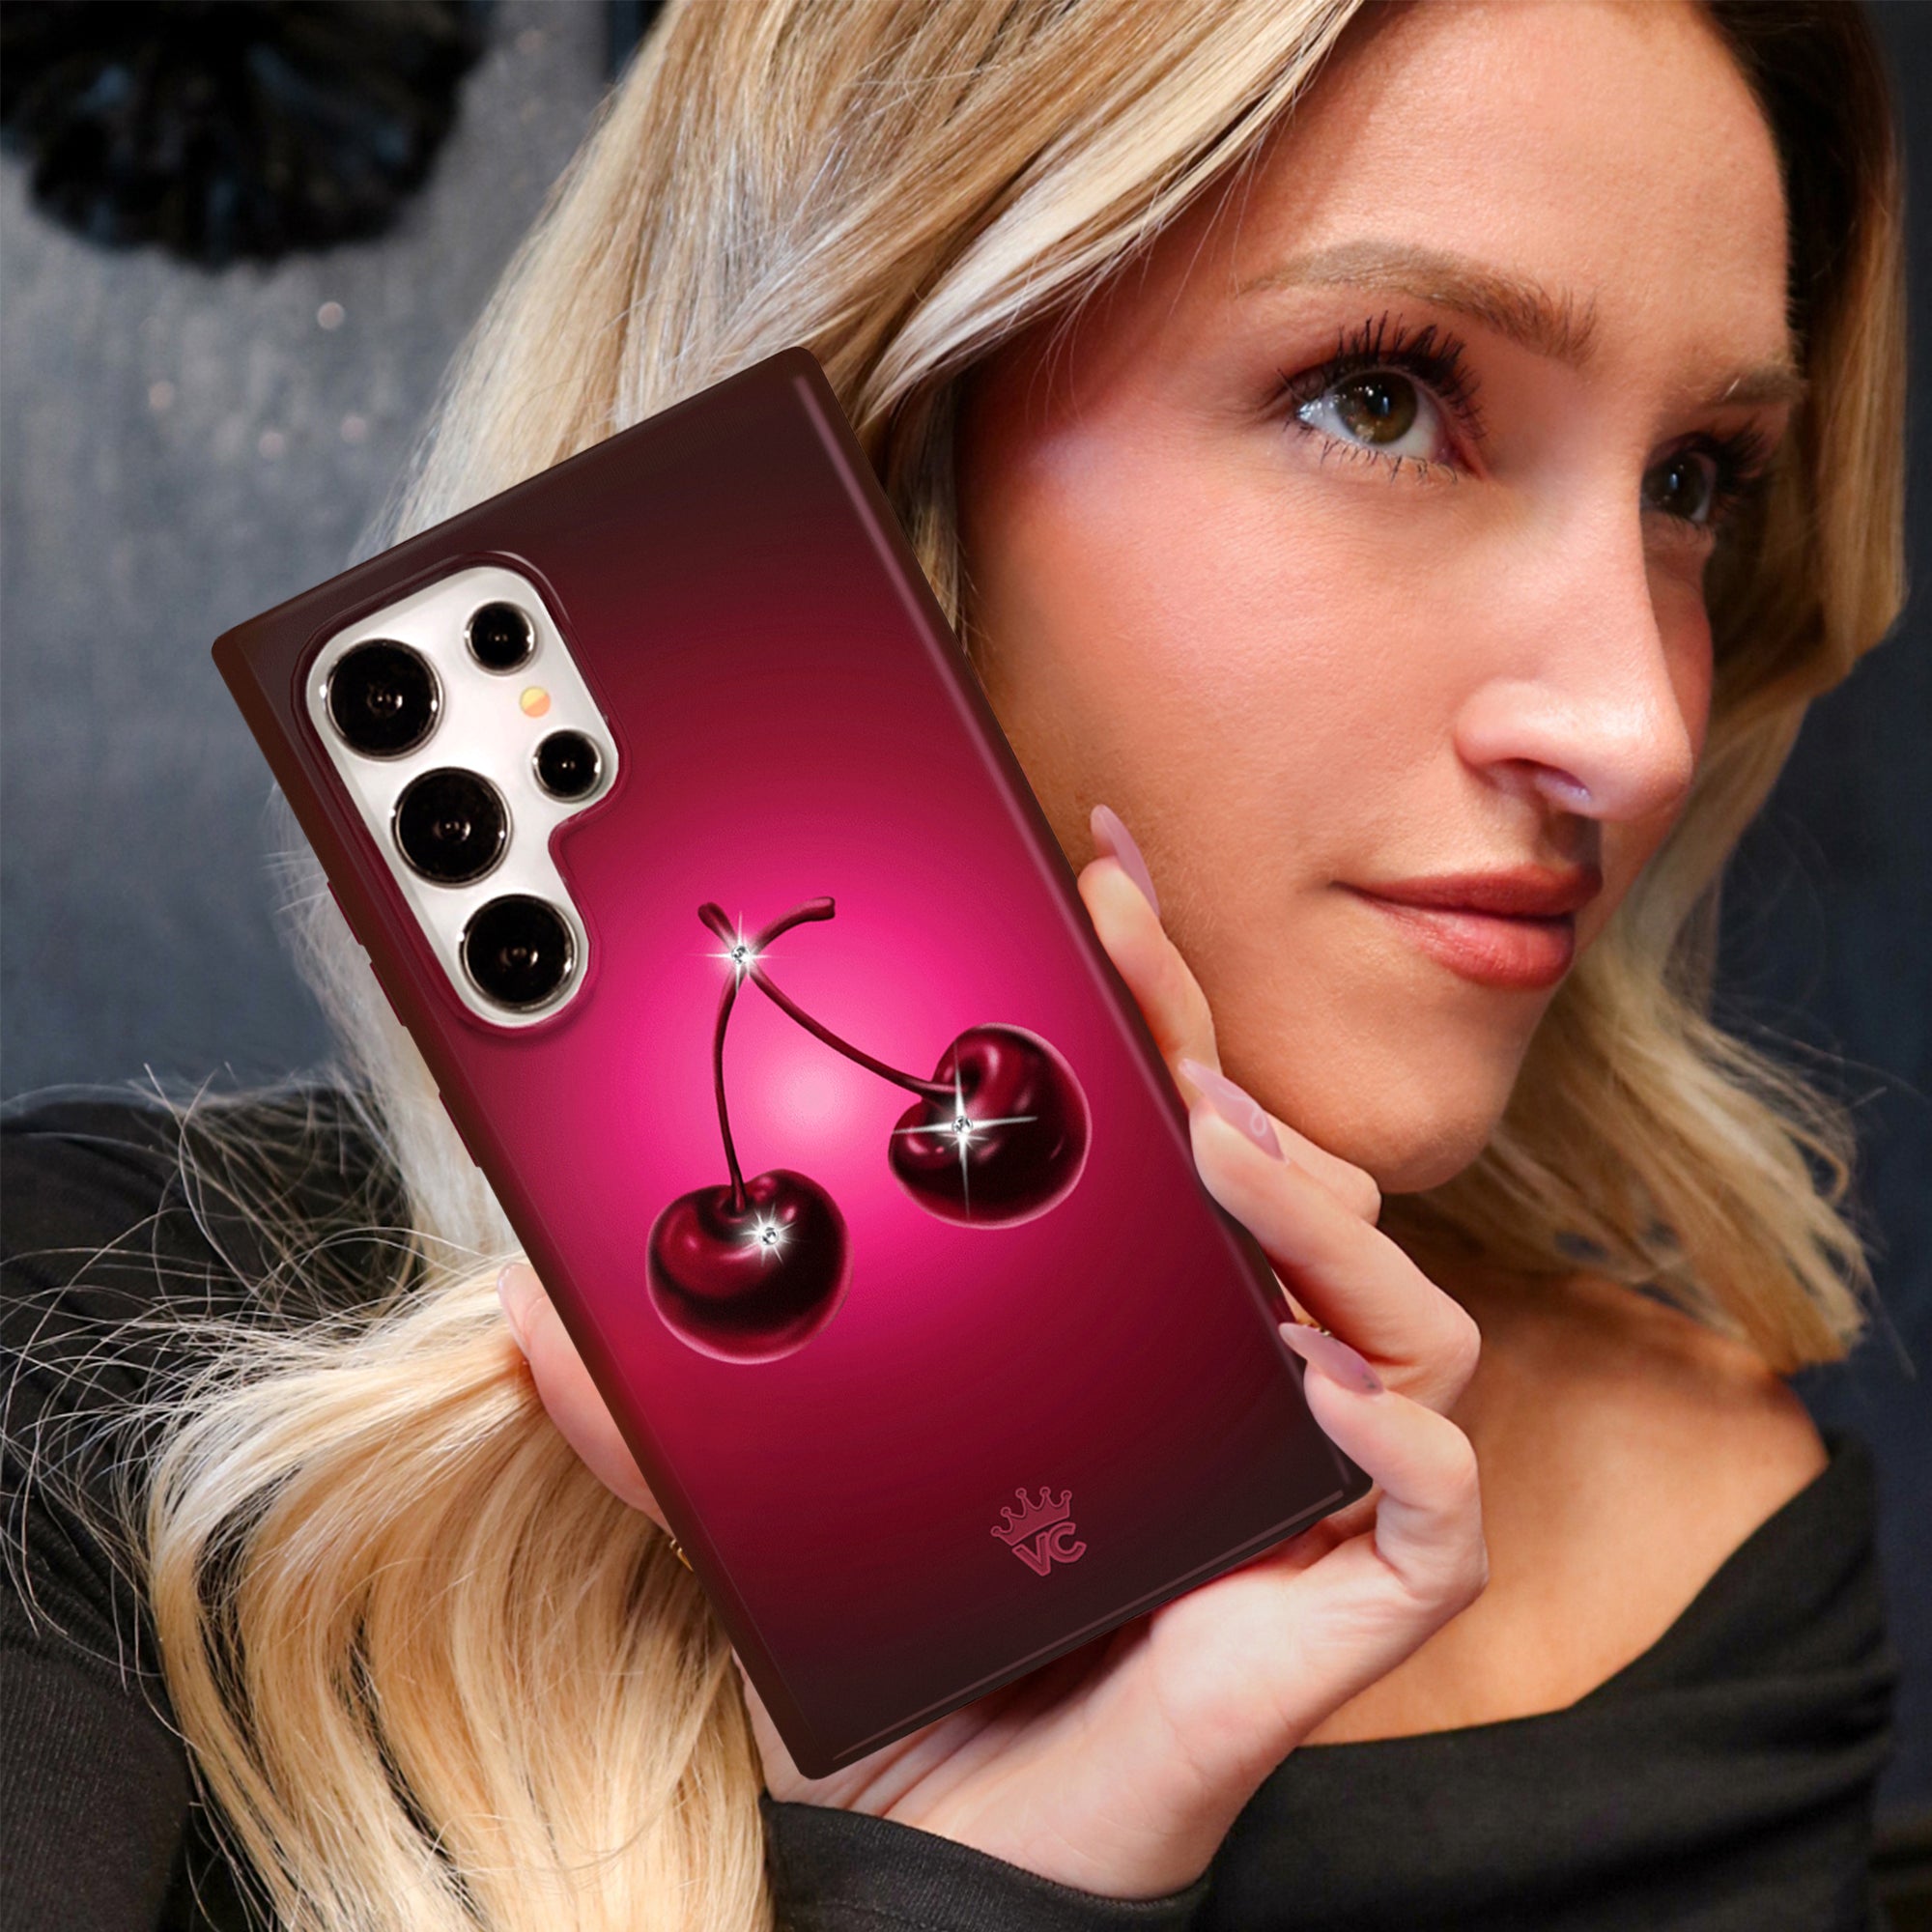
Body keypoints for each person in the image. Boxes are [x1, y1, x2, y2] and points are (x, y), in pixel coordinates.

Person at [1, 0, 1907, 1927]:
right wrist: (971, 1864)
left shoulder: (1719, 1551)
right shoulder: (83, 1389)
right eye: (1381, 399)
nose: (1634, 728)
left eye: (1694, 480)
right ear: (881, 443)